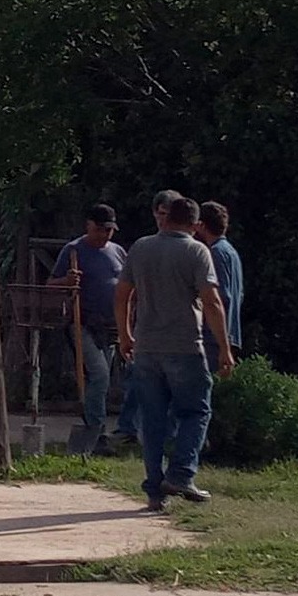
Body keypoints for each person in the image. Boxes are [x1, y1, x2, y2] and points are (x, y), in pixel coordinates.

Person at [115, 196, 234, 512]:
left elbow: (123, 294)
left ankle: (155, 491)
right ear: (195, 225)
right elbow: (212, 301)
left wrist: (125, 334)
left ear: (165, 218)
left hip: (146, 346)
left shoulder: (141, 247)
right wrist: (224, 347)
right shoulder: (197, 251)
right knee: (196, 411)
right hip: (184, 345)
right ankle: (181, 474)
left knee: (152, 420)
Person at [47, 204, 127, 449]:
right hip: (83, 323)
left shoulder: (118, 252)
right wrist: (67, 280)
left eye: (109, 230)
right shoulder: (73, 250)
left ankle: (95, 431)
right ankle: (95, 429)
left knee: (101, 379)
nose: (105, 234)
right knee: (100, 374)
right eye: (100, 229)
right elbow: (50, 284)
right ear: (89, 225)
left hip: (110, 326)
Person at [113, 188, 182, 443]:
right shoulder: (143, 247)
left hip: (178, 332)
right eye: (161, 214)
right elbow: (125, 293)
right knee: (138, 380)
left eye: (169, 214)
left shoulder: (189, 249)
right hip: (147, 328)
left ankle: (165, 435)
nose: (164, 219)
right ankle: (129, 428)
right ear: (155, 214)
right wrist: (126, 331)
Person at [195, 201, 243, 371]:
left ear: (202, 225)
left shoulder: (214, 253)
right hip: (230, 332)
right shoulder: (231, 252)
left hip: (213, 337)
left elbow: (219, 296)